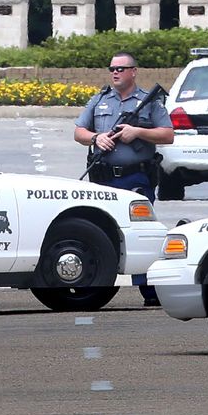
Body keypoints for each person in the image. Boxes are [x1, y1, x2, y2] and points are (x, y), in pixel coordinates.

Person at [73, 52, 173, 305]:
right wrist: (96, 138)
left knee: (141, 234)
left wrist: (137, 131)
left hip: (135, 179)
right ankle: (95, 287)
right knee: (102, 232)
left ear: (133, 71)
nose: (115, 73)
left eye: (121, 68)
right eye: (112, 69)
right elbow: (79, 131)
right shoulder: (100, 99)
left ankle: (150, 292)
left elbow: (167, 134)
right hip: (104, 180)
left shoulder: (149, 102)